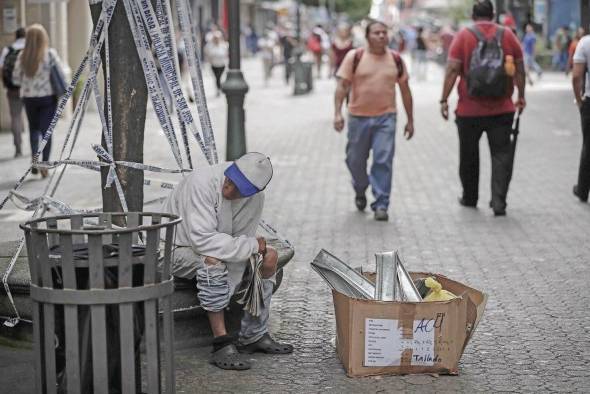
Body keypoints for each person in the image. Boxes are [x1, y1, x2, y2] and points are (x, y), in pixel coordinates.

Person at [162, 152, 293, 370]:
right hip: (174, 248)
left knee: (267, 258)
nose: (229, 190)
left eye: (238, 189)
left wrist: (257, 254)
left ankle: (254, 335)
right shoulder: (201, 182)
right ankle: (221, 343)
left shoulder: (255, 198)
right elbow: (203, 242)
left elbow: (239, 241)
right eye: (229, 181)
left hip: (214, 246)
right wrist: (251, 248)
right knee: (212, 262)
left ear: (251, 193)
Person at [439, 0, 526, 216]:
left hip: (469, 110)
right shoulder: (507, 35)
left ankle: (470, 197)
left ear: (473, 14)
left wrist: (444, 99)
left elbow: (452, 70)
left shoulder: (463, 36)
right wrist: (521, 97)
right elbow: (520, 69)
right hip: (502, 109)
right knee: (501, 155)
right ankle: (499, 202)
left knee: (469, 155)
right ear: (493, 14)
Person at [334, 19, 415, 221]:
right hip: (358, 118)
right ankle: (360, 189)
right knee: (355, 160)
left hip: (386, 118)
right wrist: (337, 113)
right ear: (367, 36)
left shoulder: (396, 59)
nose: (381, 36)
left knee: (383, 160)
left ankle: (381, 203)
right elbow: (342, 87)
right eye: (376, 33)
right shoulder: (355, 56)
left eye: (384, 32)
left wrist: (410, 120)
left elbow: (405, 91)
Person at [13, 24, 65, 178]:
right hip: (47, 98)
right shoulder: (49, 54)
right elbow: (61, 74)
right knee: (46, 131)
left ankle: (34, 161)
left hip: (29, 99)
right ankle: (45, 164)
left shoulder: (22, 56)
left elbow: (16, 79)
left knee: (33, 130)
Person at [0, 27, 26, 158]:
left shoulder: (7, 50)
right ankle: (37, 148)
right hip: (30, 89)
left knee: (15, 117)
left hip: (13, 89)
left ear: (15, 36)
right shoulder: (30, 49)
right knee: (35, 119)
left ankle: (18, 149)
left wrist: (6, 85)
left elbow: (1, 69)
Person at [571, 33, 590, 203]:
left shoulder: (585, 43)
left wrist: (579, 100)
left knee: (588, 146)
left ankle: (583, 189)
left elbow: (577, 76)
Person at [204, 31, 228, 97]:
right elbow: (206, 53)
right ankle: (218, 89)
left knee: (219, 77)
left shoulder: (224, 45)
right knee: (217, 77)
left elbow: (226, 53)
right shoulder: (209, 46)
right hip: (214, 65)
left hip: (222, 65)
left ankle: (219, 88)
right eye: (215, 38)